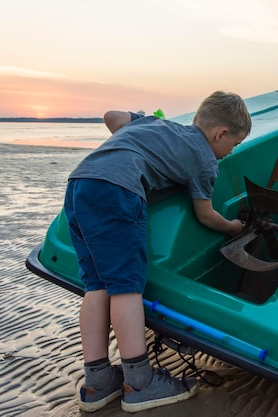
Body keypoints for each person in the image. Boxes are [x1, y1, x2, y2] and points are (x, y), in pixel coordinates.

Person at [64, 91, 251, 413]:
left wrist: (145, 138)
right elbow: (206, 215)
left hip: (80, 183)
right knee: (126, 286)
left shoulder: (158, 124)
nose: (229, 152)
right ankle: (140, 382)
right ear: (220, 134)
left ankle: (97, 381)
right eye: (233, 144)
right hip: (118, 191)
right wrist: (234, 228)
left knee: (96, 285)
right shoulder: (205, 161)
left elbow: (113, 116)